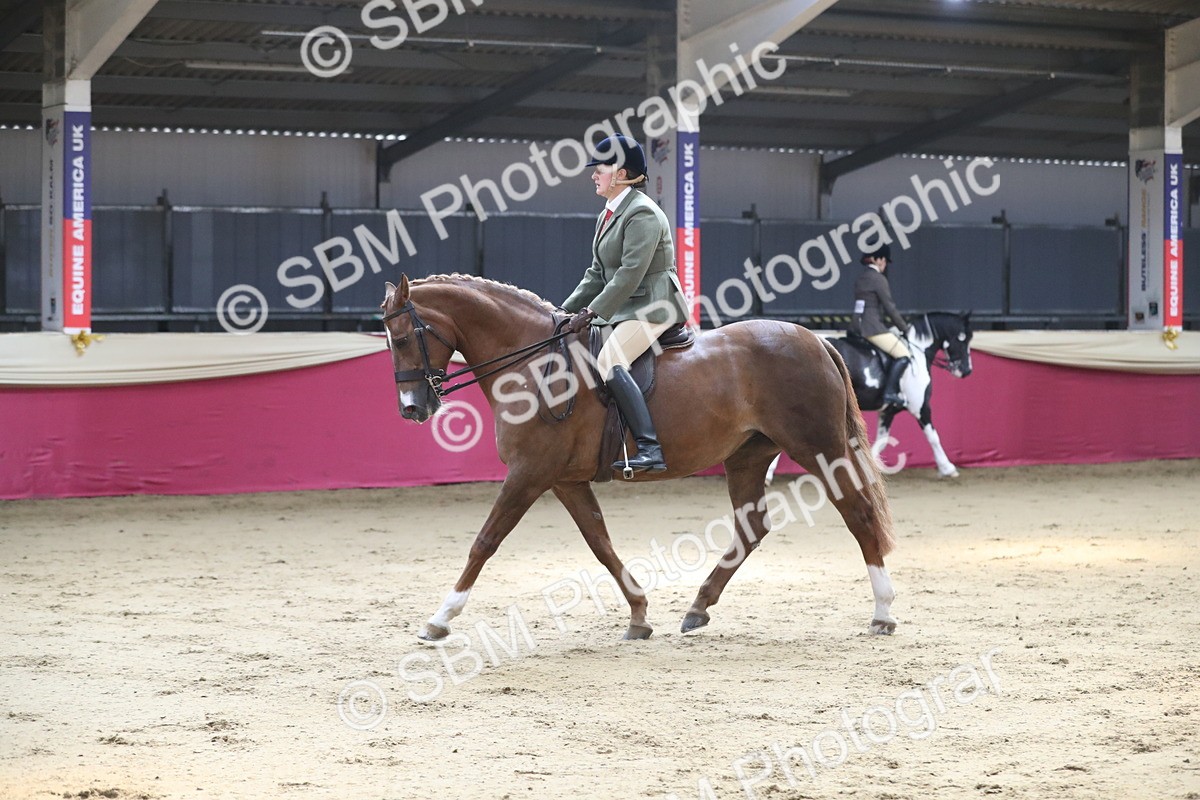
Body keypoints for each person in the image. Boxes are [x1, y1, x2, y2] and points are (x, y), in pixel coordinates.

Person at [560, 134, 690, 474]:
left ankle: (650, 448)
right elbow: (596, 273)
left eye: (599, 169)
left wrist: (592, 312)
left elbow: (630, 275)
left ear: (620, 173)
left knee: (610, 359)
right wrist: (562, 311)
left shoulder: (643, 214)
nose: (593, 175)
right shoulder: (608, 213)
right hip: (625, 305)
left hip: (654, 304)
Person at [851, 243, 910, 406]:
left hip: (857, 325)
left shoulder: (861, 278)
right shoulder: (878, 279)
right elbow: (889, 307)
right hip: (872, 328)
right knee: (903, 354)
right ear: (878, 259)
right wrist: (904, 328)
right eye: (884, 260)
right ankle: (890, 392)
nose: (885, 265)